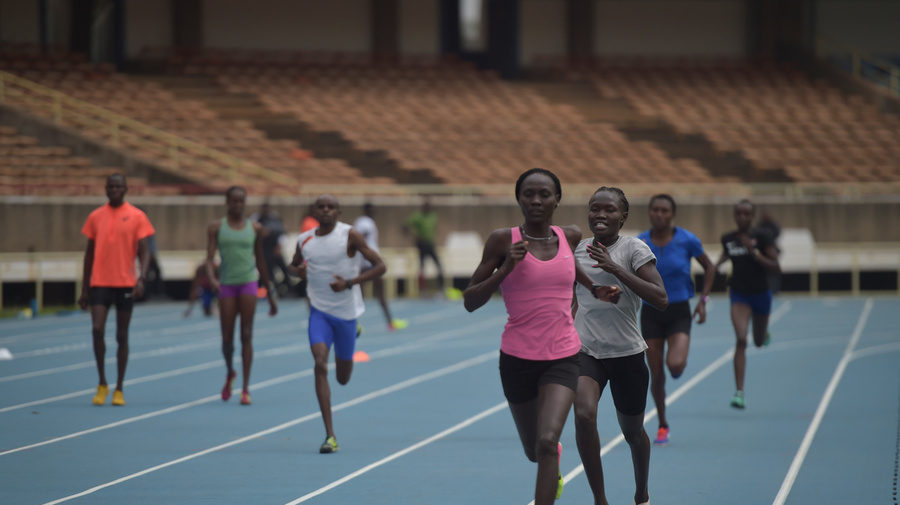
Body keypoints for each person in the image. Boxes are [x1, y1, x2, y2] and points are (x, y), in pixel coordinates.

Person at [463, 169, 619, 505]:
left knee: (547, 441)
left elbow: (568, 266)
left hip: (563, 357)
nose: (536, 200)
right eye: (528, 194)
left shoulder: (569, 235)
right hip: (517, 359)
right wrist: (505, 269)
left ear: (557, 199)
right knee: (535, 450)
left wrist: (594, 288)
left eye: (544, 194)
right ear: (518, 198)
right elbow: (470, 301)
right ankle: (551, 461)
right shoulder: (502, 241)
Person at [573, 186, 668, 505]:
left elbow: (661, 298)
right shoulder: (578, 251)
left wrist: (614, 267)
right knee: (584, 415)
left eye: (609, 209)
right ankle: (600, 499)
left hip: (627, 354)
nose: (600, 214)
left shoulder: (634, 249)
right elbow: (573, 298)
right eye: (594, 208)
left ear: (623, 217)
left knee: (632, 433)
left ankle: (642, 493)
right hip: (586, 351)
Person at [289, 194, 387, 454]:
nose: (326, 210)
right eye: (321, 207)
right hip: (319, 313)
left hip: (346, 314)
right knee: (320, 364)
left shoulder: (350, 235)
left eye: (331, 207)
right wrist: (298, 271)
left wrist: (349, 283)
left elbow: (381, 266)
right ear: (314, 211)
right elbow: (292, 266)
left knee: (343, 379)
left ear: (338, 212)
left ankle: (354, 331)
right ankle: (330, 435)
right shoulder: (304, 240)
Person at [637, 194, 717, 445]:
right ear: (649, 212)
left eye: (664, 210)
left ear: (672, 214)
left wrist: (703, 300)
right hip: (651, 312)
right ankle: (662, 424)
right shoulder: (640, 242)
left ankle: (676, 367)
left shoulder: (687, 239)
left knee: (675, 365)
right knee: (656, 373)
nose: (659, 214)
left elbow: (710, 267)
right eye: (655, 210)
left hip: (679, 310)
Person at [79, 173, 155, 406]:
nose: (114, 190)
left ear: (125, 189)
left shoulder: (137, 216)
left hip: (125, 282)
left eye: (118, 187)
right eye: (110, 187)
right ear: (105, 189)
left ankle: (119, 388)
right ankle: (102, 382)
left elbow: (145, 251)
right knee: (97, 329)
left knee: (122, 335)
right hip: (99, 282)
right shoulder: (95, 216)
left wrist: (142, 277)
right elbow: (89, 254)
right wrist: (84, 288)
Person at [205, 186, 278, 406]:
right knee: (227, 339)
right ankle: (230, 372)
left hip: (248, 283)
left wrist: (270, 294)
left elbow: (261, 261)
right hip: (227, 285)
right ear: (227, 202)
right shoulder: (216, 227)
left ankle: (245, 388)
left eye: (241, 201)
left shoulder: (254, 228)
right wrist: (212, 279)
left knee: (246, 334)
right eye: (234, 201)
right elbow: (209, 259)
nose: (238, 205)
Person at [714, 199, 780, 409]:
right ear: (735, 216)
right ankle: (739, 392)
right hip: (739, 295)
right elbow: (725, 256)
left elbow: (776, 267)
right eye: (739, 214)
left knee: (758, 342)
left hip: (761, 294)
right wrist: (713, 267)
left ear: (752, 216)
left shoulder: (762, 236)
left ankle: (763, 333)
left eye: (746, 214)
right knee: (741, 340)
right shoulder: (728, 239)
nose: (742, 217)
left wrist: (754, 252)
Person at [353, 202, 408, 331]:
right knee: (363, 295)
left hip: (368, 263)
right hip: (369, 263)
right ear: (367, 210)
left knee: (371, 294)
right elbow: (361, 237)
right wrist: (367, 255)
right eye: (373, 209)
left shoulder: (361, 222)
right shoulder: (365, 222)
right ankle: (354, 324)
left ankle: (389, 322)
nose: (375, 211)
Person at [404, 197, 445, 296]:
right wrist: (414, 236)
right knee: (422, 267)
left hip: (430, 244)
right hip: (422, 243)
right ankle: (422, 289)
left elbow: (434, 229)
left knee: (438, 265)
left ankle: (441, 289)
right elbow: (406, 226)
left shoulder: (433, 216)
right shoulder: (418, 216)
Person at [254, 202, 290, 297]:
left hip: (276, 249)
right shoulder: (258, 220)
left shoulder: (275, 219)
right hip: (265, 251)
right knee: (270, 272)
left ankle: (288, 288)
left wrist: (280, 246)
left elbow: (283, 233)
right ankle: (277, 291)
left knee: (284, 269)